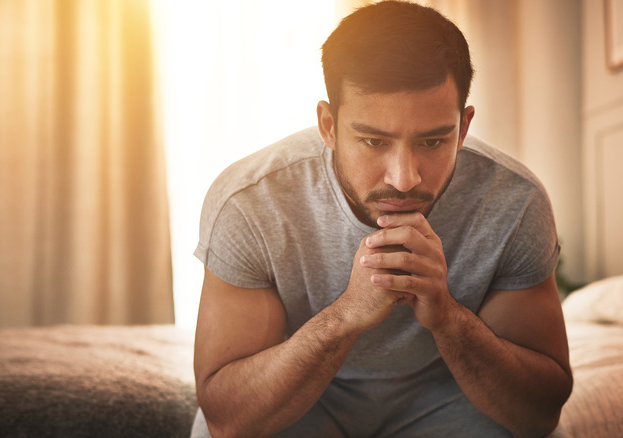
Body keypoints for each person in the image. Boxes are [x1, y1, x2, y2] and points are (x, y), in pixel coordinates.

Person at [190, 2, 572, 437]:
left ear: (463, 127)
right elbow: (226, 418)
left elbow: (540, 415)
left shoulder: (515, 201)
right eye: (373, 141)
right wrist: (344, 316)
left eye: (433, 141)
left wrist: (448, 318)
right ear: (329, 126)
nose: (404, 179)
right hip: (301, 401)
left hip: (452, 398)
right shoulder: (249, 201)